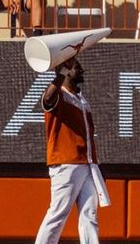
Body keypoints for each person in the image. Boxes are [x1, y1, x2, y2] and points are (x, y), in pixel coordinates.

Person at [33, 57, 108, 244]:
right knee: (58, 212)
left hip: (87, 163)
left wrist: (95, 165)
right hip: (66, 162)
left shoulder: (81, 99)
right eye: (77, 67)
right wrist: (60, 74)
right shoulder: (59, 95)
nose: (81, 70)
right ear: (66, 71)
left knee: (89, 213)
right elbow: (48, 98)